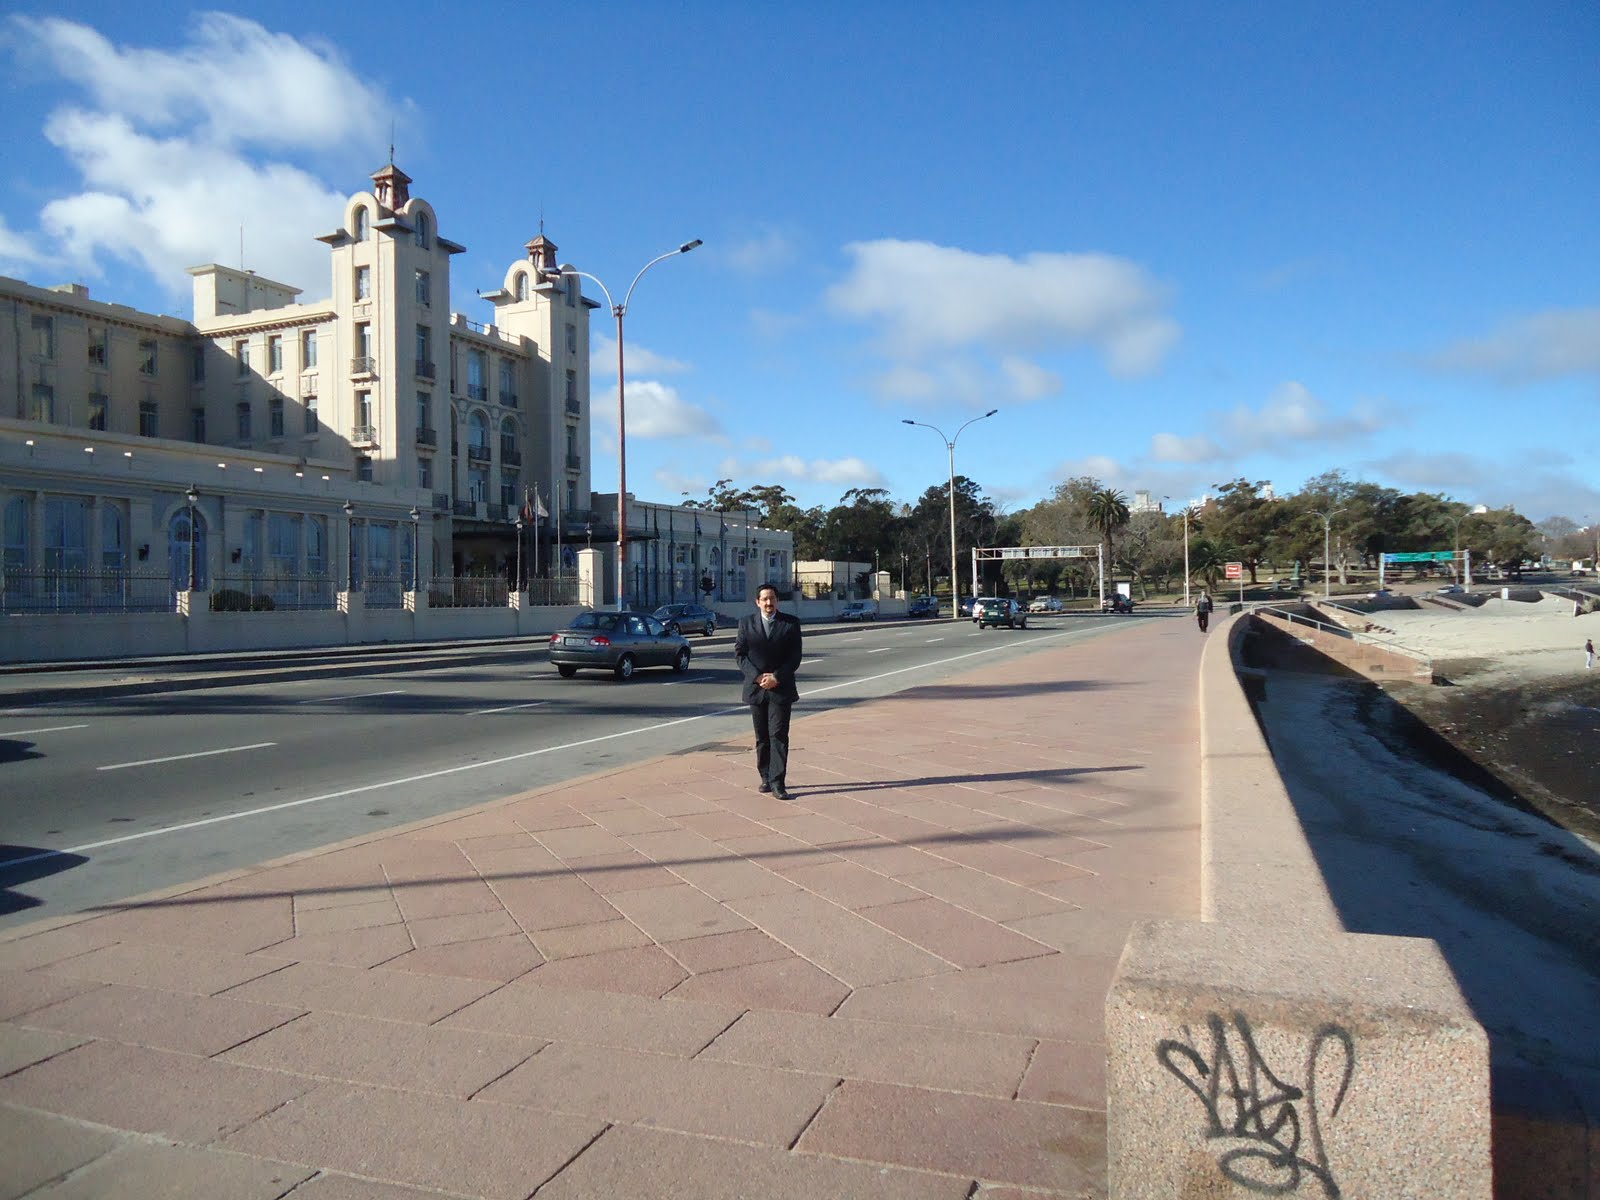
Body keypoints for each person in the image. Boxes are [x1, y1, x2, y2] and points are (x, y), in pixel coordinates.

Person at [735, 582, 803, 800]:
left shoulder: (790, 624)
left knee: (779, 735)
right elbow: (740, 655)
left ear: (777, 601)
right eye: (764, 599)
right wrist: (757, 676)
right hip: (756, 689)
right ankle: (765, 776)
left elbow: (795, 657)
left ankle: (778, 782)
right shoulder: (746, 624)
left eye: (772, 598)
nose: (768, 602)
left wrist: (776, 677)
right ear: (758, 602)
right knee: (762, 737)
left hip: (781, 688)